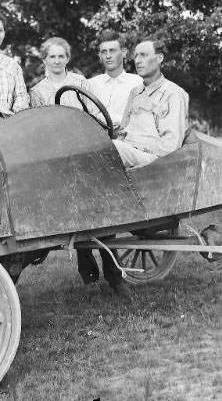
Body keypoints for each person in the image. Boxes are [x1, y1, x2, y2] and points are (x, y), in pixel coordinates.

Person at [77, 30, 143, 298]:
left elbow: (143, 118)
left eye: (113, 50)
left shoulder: (137, 82)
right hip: (98, 146)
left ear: (123, 53)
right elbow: (85, 117)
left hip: (127, 145)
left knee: (104, 203)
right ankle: (86, 256)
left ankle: (113, 274)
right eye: (103, 52)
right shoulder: (92, 84)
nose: (108, 56)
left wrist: (124, 130)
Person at [113, 38, 189, 168]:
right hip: (130, 153)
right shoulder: (135, 92)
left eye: (144, 55)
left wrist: (134, 144)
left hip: (156, 162)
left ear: (159, 58)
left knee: (113, 149)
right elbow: (123, 132)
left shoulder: (173, 94)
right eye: (136, 56)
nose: (137, 61)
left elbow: (171, 147)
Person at [29, 37, 90, 109]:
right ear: (44, 60)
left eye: (61, 56)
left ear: (67, 59)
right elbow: (37, 119)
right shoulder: (37, 92)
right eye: (52, 57)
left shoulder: (81, 82)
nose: (57, 61)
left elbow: (94, 114)